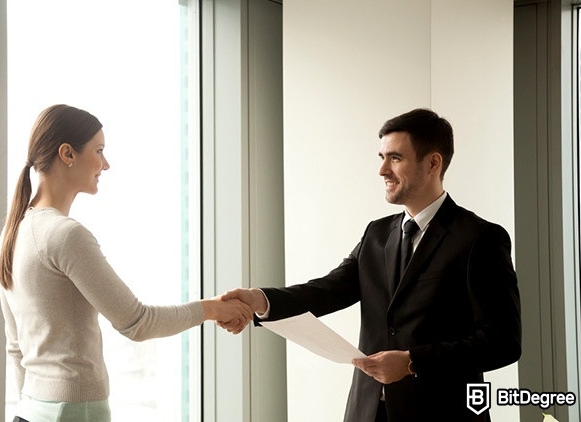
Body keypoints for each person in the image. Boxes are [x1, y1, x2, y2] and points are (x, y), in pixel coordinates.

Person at [220, 108, 521, 422]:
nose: (382, 170)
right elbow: (326, 290)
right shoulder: (376, 234)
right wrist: (260, 300)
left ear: (433, 163)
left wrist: (411, 361)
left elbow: (502, 342)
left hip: (443, 414)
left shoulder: (479, 239)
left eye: (395, 158)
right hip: (366, 412)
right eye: (382, 156)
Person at [0, 104, 251, 422]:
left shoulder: (13, 233)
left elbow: (15, 346)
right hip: (74, 413)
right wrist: (211, 309)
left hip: (30, 410)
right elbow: (137, 323)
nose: (105, 164)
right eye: (99, 150)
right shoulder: (64, 235)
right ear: (67, 154)